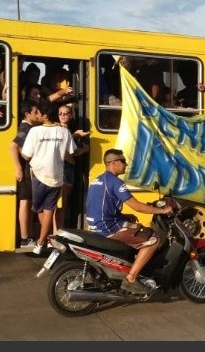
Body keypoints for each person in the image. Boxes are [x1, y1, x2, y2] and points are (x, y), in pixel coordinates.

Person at [85, 148, 173, 294]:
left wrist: (124, 216)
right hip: (108, 227)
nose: (126, 164)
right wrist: (162, 210)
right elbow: (137, 206)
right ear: (113, 163)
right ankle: (131, 278)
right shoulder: (115, 182)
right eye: (123, 161)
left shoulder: (97, 180)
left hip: (96, 225)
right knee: (152, 239)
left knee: (137, 228)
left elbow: (102, 206)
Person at [20, 100, 76, 255]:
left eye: (38, 112)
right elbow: (71, 151)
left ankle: (42, 240)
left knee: (39, 209)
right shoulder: (64, 132)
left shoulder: (35, 131)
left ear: (45, 115)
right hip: (57, 177)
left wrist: (21, 152)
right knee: (49, 209)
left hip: (39, 176)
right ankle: (44, 241)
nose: (37, 115)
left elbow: (26, 156)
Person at [9, 99, 42, 250]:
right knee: (25, 202)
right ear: (27, 114)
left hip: (28, 170)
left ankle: (29, 235)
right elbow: (13, 146)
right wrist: (18, 168)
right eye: (35, 112)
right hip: (26, 171)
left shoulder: (31, 128)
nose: (38, 114)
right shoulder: (26, 128)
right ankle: (24, 238)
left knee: (28, 203)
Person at [55, 104, 90, 233]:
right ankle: (56, 232)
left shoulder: (70, 130)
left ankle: (60, 231)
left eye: (66, 113)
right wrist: (75, 137)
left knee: (64, 204)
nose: (63, 116)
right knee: (59, 205)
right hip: (61, 168)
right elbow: (62, 149)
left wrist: (82, 149)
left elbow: (74, 151)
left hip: (70, 168)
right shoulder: (56, 128)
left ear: (71, 115)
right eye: (60, 113)